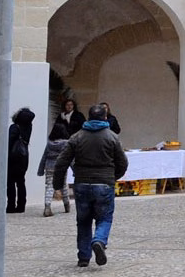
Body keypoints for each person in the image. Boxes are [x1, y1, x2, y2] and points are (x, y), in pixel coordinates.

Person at [52, 104, 129, 267]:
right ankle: (99, 240)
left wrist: (57, 184)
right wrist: (113, 177)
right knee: (105, 217)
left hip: (82, 183)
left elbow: (61, 161)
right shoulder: (112, 137)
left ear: (89, 117)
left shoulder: (77, 137)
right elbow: (122, 162)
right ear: (105, 117)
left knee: (83, 220)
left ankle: (83, 256)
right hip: (104, 183)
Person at [38, 118, 72, 216]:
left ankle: (47, 207)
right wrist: (74, 169)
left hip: (49, 167)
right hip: (61, 167)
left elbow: (44, 156)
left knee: (49, 186)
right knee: (63, 186)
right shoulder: (66, 143)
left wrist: (40, 170)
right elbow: (69, 157)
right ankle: (67, 206)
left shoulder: (49, 144)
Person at [7, 107, 34, 213]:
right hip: (23, 157)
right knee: (21, 182)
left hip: (12, 158)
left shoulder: (14, 127)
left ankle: (11, 205)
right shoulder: (28, 127)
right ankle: (21, 205)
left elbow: (9, 142)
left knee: (10, 182)